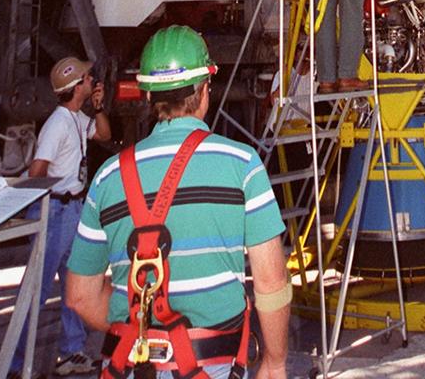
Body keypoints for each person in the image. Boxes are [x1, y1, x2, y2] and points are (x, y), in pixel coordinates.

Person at [66, 26, 289, 379]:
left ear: (148, 97)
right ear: (205, 91)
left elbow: (80, 296)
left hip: (126, 366)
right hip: (213, 366)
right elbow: (271, 282)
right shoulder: (242, 165)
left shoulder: (108, 176)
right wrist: (275, 363)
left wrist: (141, 331)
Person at [8, 56, 110, 379]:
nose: (92, 80)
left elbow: (105, 135)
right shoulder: (57, 124)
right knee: (35, 293)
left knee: (73, 286)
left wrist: (98, 106)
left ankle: (72, 352)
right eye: (87, 78)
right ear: (76, 85)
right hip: (56, 211)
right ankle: (14, 366)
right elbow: (38, 170)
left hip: (73, 210)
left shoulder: (79, 118)